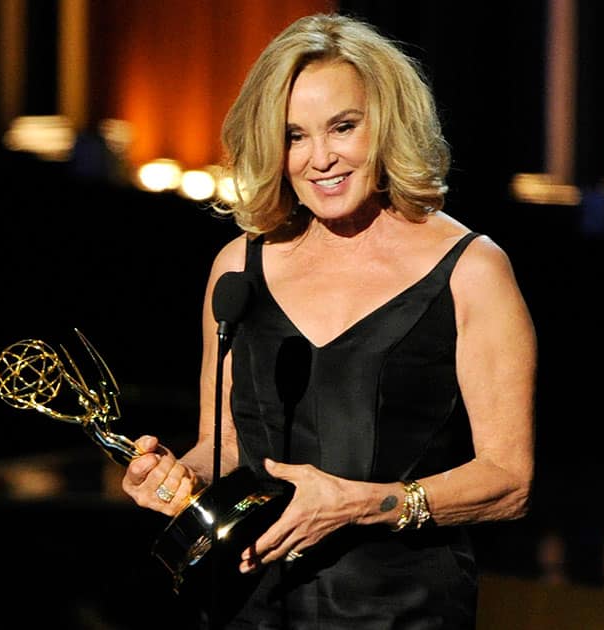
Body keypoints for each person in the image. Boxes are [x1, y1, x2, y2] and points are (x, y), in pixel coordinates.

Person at [121, 12, 536, 629]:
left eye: (343, 127)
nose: (320, 159)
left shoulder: (471, 269)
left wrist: (358, 505)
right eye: (294, 136)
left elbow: (508, 480)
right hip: (251, 605)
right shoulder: (240, 267)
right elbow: (230, 443)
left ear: (386, 123)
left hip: (405, 610)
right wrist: (178, 475)